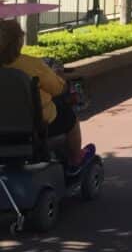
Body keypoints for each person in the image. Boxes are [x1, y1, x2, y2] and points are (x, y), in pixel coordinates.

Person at [0, 17, 95, 176]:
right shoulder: (31, 64)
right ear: (18, 42)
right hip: (34, 128)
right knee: (69, 117)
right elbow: (58, 89)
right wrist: (55, 75)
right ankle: (75, 159)